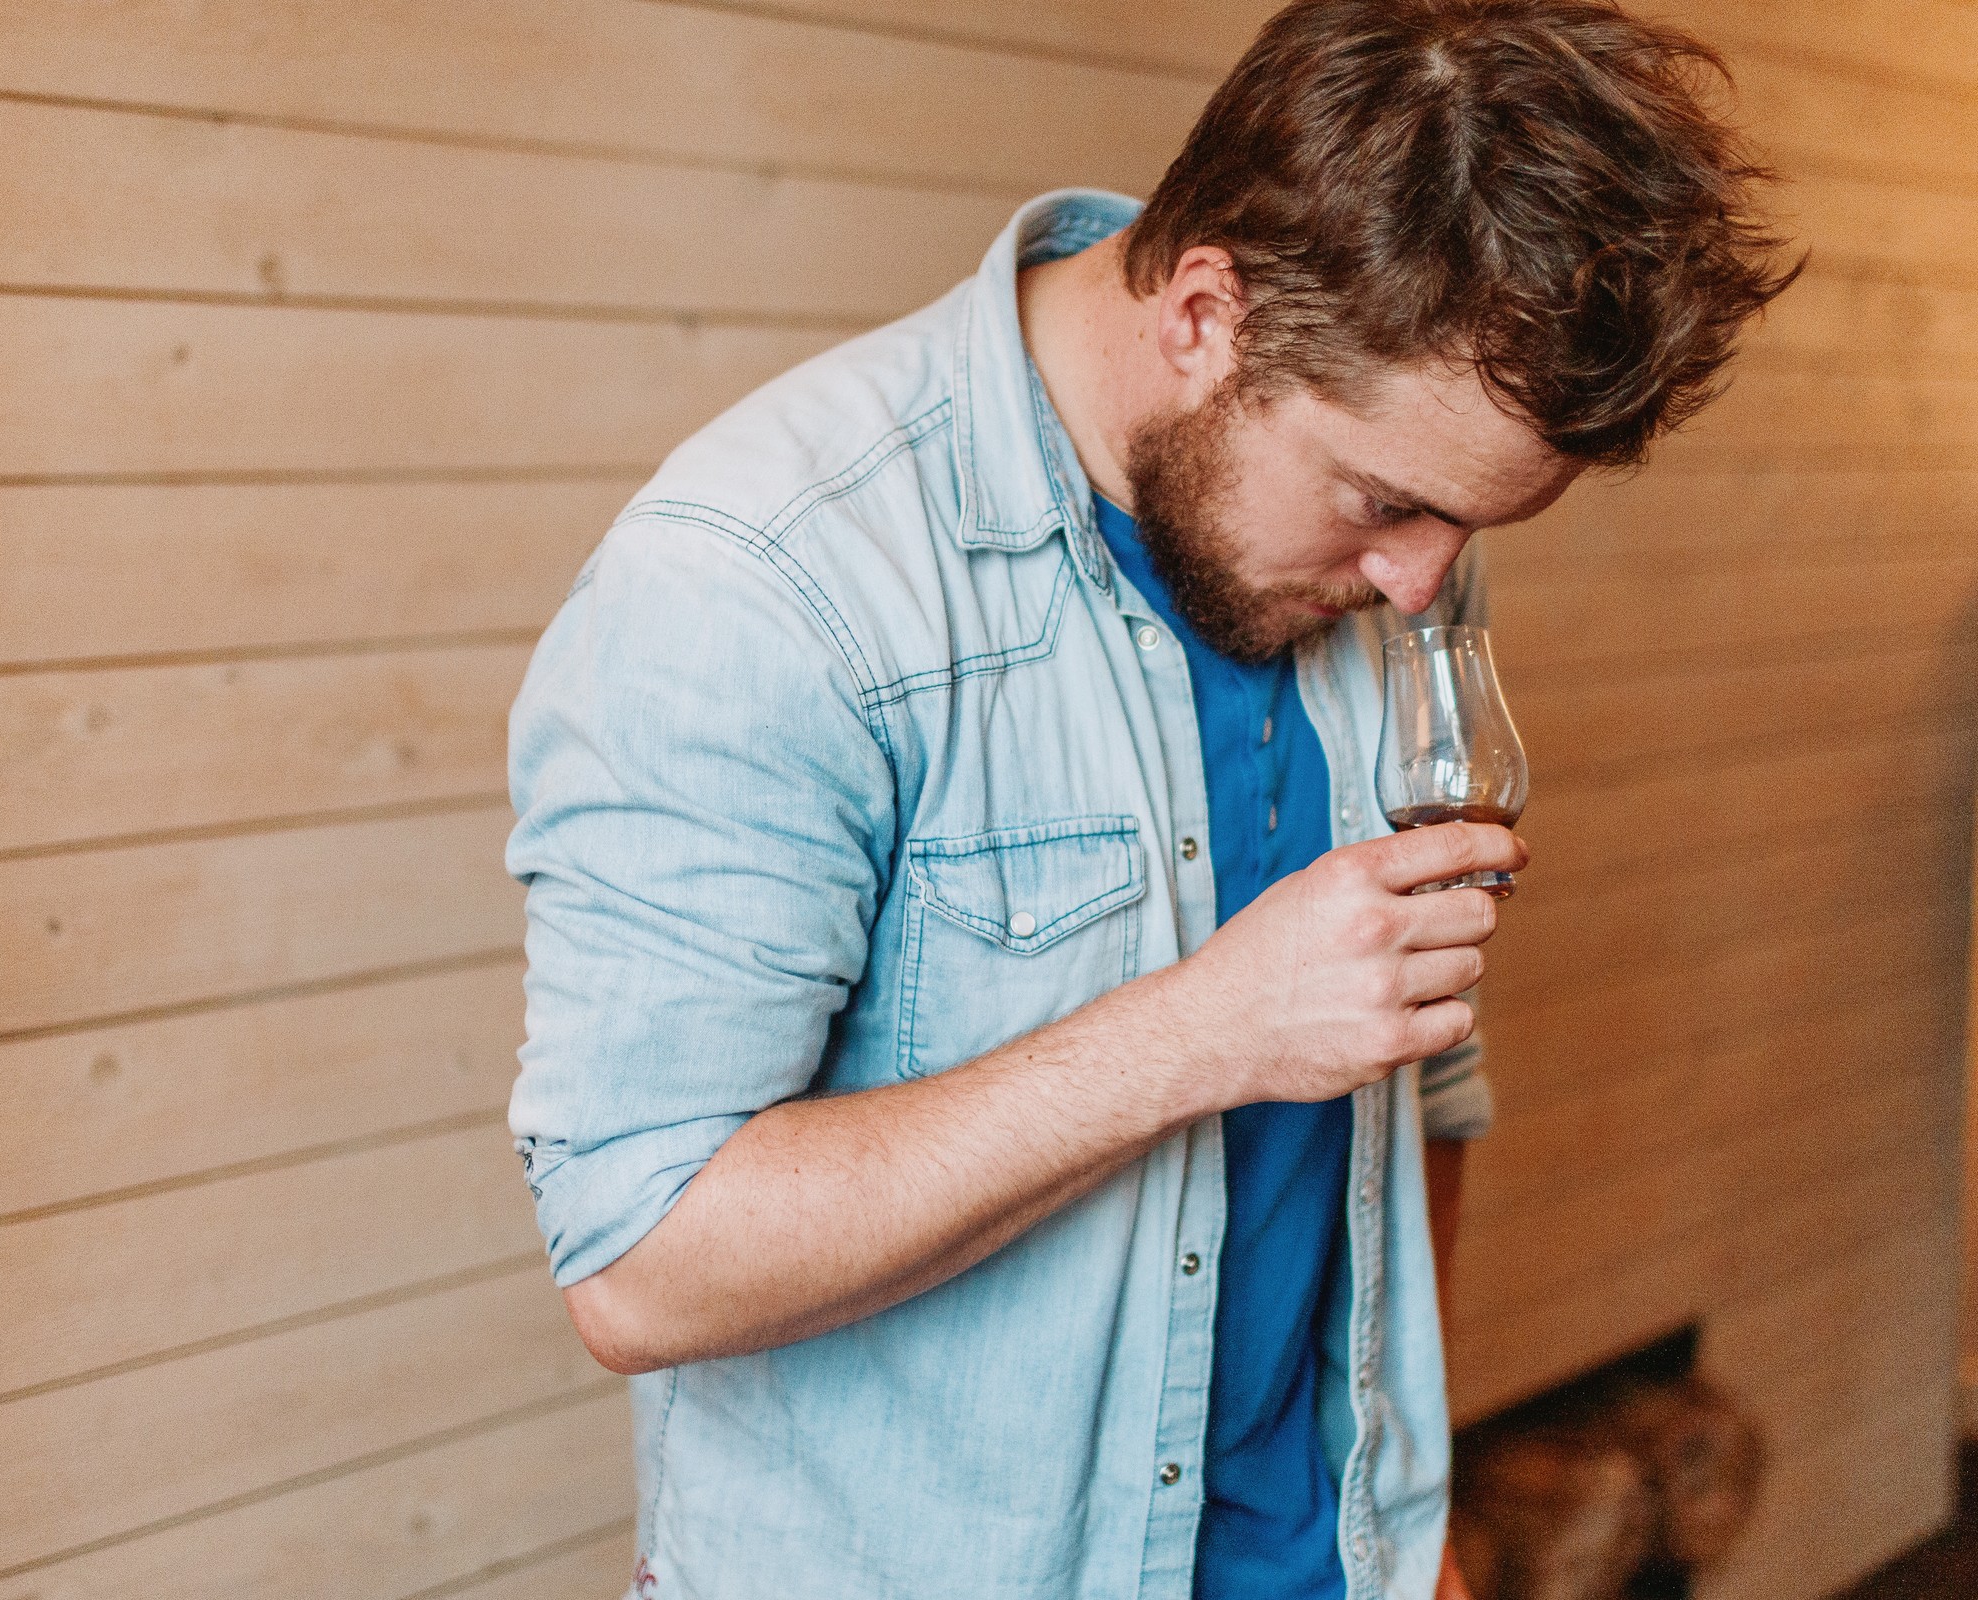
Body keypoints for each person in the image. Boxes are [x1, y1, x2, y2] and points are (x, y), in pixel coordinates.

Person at [503, 2, 1794, 1595]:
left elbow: (1422, 1077)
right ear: (1205, 314)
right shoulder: (762, 584)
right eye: (1388, 502)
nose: (1420, 587)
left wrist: (1405, 1508)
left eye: (1468, 529)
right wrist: (1203, 1033)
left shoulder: (1394, 560)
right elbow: (643, 1270)